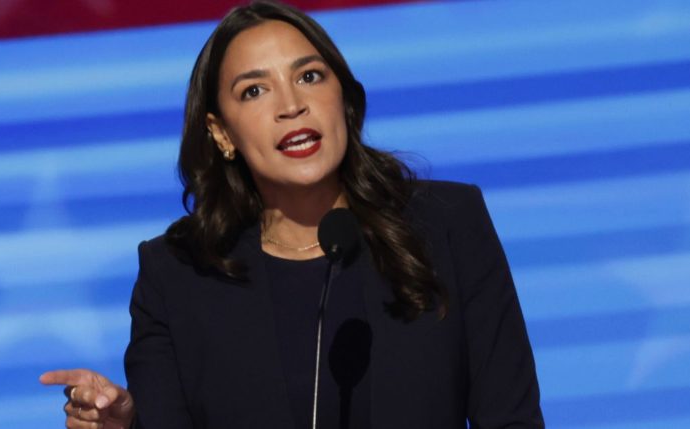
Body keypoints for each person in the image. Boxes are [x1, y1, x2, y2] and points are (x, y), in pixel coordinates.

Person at [40, 1, 544, 428]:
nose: (291, 105)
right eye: (254, 90)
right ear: (221, 134)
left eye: (309, 76)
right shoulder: (176, 274)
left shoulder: (448, 224)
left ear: (341, 97)